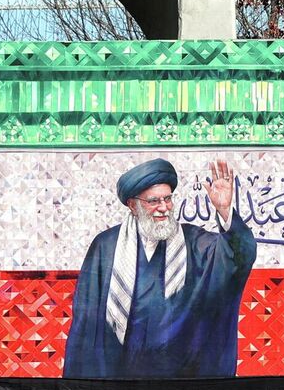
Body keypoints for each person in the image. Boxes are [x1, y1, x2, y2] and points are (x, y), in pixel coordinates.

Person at [63, 158, 256, 378]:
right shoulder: (106, 246)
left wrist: (224, 211)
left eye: (168, 199)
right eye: (153, 201)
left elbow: (237, 256)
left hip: (181, 376)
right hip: (121, 376)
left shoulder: (194, 241)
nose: (163, 208)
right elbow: (87, 319)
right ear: (133, 205)